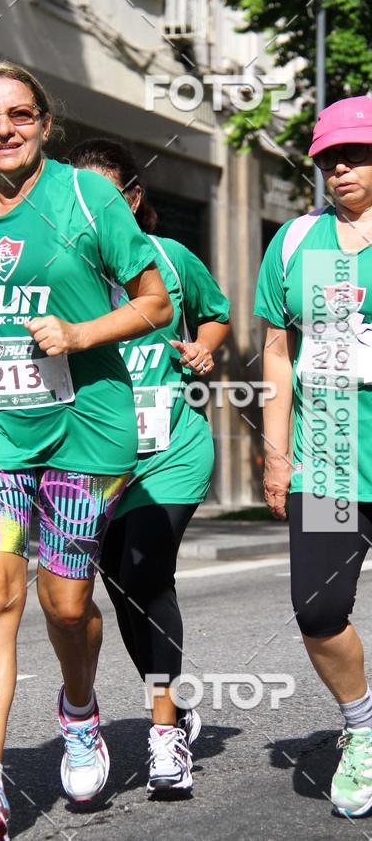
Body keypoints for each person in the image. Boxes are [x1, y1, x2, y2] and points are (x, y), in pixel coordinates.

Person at [0, 62, 172, 840]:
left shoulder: (89, 197)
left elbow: (155, 302)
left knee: (66, 602)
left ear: (45, 124)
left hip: (85, 426)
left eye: (21, 115)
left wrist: (82, 333)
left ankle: (81, 711)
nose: (4, 129)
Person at [68, 139, 230, 798]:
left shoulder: (172, 260)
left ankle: (165, 734)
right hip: (97, 455)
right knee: (122, 590)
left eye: (104, 197)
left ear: (133, 200)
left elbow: (216, 315)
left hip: (171, 450)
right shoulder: (61, 269)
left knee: (145, 571)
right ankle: (175, 706)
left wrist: (203, 350)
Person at [254, 95, 372, 818]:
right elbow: (274, 352)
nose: (341, 169)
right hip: (326, 456)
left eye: (356, 154)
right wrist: (276, 455)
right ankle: (362, 731)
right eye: (330, 158)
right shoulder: (296, 242)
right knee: (318, 609)